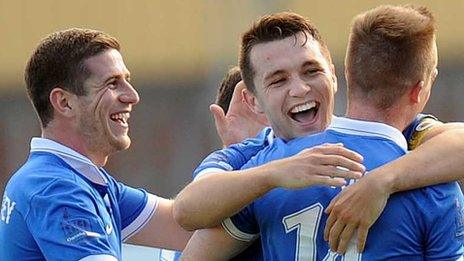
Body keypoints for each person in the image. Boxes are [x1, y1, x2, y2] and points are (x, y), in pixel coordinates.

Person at [180, 7, 464, 259]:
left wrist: (379, 182)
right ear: (253, 100)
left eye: (311, 70)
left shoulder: (413, 144)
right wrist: (269, 175)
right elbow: (186, 210)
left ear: (337, 76)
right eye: (278, 80)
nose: (300, 89)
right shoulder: (252, 161)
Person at [0, 28, 192, 260]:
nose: (132, 96)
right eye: (112, 83)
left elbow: (186, 225)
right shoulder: (54, 188)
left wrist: (238, 156)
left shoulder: (82, 182)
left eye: (127, 81)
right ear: (64, 102)